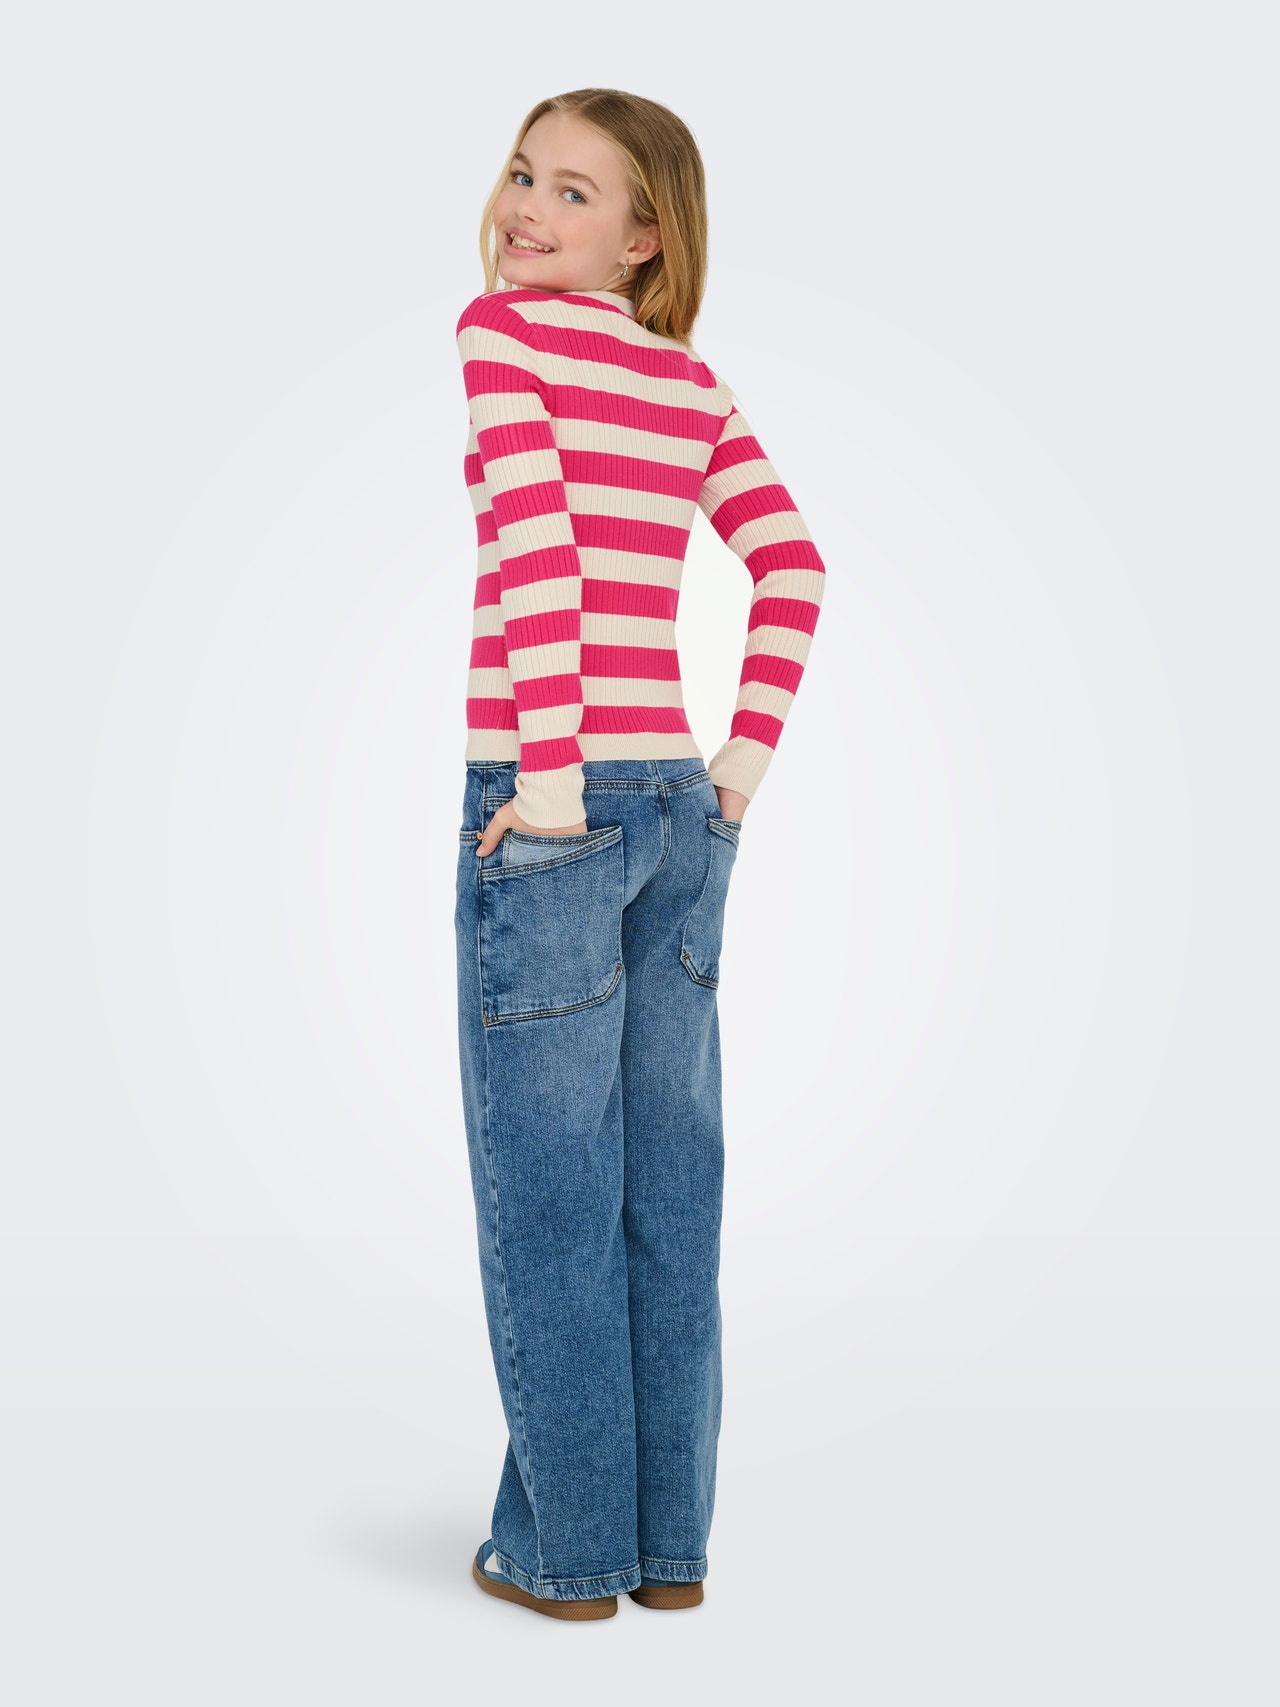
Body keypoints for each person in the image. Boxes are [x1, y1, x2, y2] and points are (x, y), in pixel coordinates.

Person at [452, 87, 825, 1621]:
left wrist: (547, 789)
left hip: (554, 800)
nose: (529, 208)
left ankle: (566, 1558)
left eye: (577, 193)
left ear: (646, 239)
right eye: (524, 173)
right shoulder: (692, 386)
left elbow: (539, 549)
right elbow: (794, 565)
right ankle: (667, 1552)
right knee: (667, 1188)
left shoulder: (502, 335)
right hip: (676, 805)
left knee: (554, 1194)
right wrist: (736, 770)